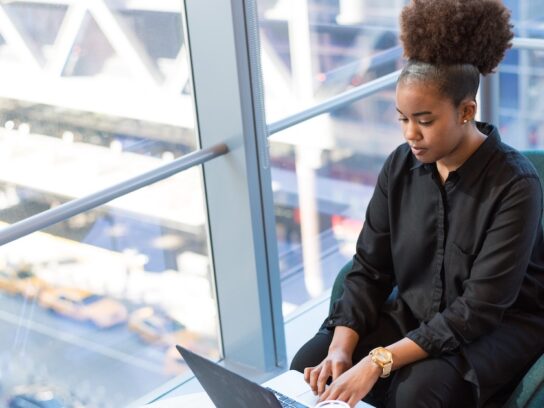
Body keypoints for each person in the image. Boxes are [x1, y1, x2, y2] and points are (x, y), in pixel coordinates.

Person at [290, 1, 544, 407]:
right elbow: (370, 267)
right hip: (417, 313)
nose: (411, 134)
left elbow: (479, 309)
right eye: (402, 118)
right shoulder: (401, 166)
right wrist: (340, 346)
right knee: (310, 363)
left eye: (424, 120)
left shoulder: (516, 185)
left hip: (497, 327)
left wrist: (378, 360)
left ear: (466, 111)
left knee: (418, 390)